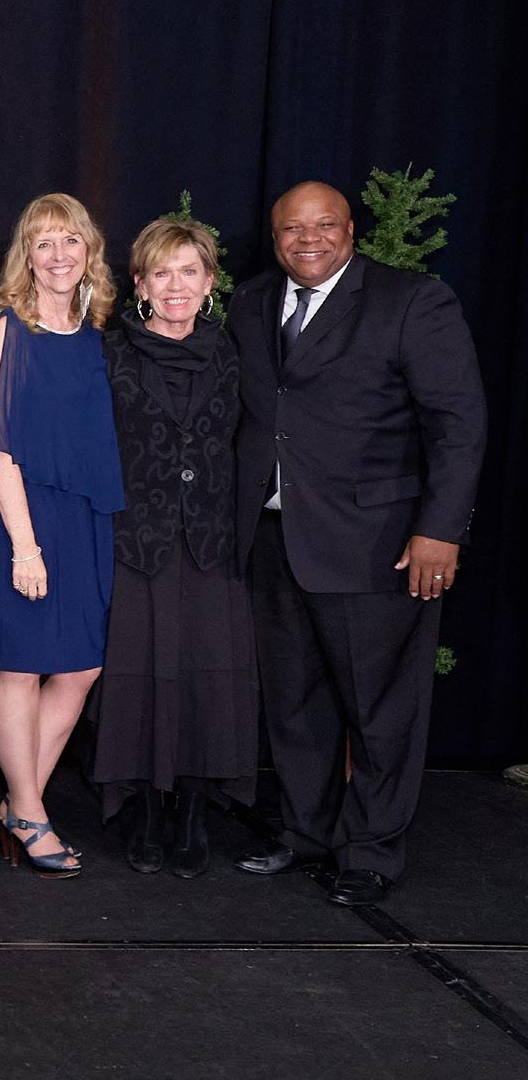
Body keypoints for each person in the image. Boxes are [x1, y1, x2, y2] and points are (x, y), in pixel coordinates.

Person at [229, 181, 486, 906]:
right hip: (272, 537)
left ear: (350, 230)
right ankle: (306, 831)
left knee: (381, 706)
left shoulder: (410, 301)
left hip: (377, 543)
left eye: (323, 225)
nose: (307, 239)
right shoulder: (250, 303)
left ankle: (371, 848)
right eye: (291, 228)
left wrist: (440, 529)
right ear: (274, 237)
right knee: (293, 700)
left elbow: (458, 423)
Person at [90, 217, 254, 879]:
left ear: (210, 281)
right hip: (137, 540)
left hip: (213, 542)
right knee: (139, 675)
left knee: (207, 677)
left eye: (189, 271)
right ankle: (147, 809)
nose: (175, 284)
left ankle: (191, 809)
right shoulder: (109, 352)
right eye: (161, 272)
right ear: (139, 284)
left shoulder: (233, 353)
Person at [0, 193, 125, 879]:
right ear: (25, 257)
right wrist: (24, 546)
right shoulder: (10, 326)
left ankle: (19, 802)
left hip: (86, 515)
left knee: (82, 667)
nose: (58, 255)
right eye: (43, 243)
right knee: (22, 665)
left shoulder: (95, 331)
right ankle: (31, 811)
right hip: (26, 517)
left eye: (70, 241)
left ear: (89, 251)